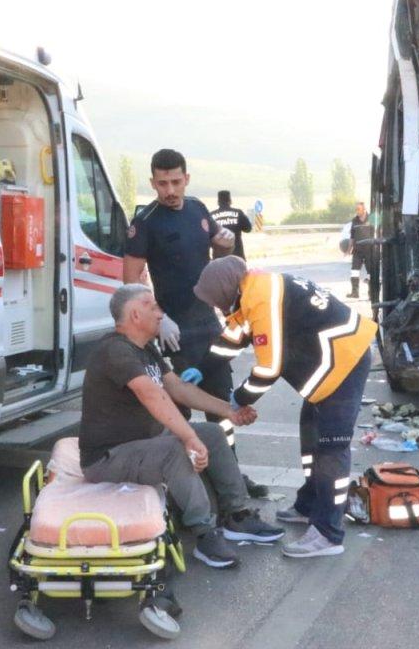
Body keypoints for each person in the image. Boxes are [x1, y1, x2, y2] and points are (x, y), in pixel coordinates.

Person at [80, 284, 286, 569]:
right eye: (152, 306)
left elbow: (177, 388)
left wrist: (230, 410)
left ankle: (235, 515)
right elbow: (152, 395)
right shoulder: (114, 350)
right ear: (135, 315)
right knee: (175, 450)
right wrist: (188, 437)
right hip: (108, 458)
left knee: (213, 434)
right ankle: (204, 533)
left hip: (144, 442)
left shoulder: (145, 348)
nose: (160, 313)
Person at [194, 256, 377, 559]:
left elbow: (269, 368)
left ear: (225, 290)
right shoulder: (252, 289)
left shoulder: (261, 298)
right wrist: (201, 368)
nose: (214, 306)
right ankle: (309, 505)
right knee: (311, 438)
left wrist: (239, 400)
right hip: (332, 364)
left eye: (214, 300)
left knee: (331, 449)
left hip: (345, 361)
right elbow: (232, 338)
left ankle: (328, 534)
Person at [123, 149, 268, 499]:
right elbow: (130, 282)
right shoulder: (145, 222)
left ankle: (230, 475)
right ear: (152, 182)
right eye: (162, 183)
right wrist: (159, 319)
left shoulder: (198, 209)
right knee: (180, 412)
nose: (170, 190)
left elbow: (220, 247)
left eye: (176, 182)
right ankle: (190, 483)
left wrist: (225, 242)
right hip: (174, 332)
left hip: (209, 324)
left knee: (222, 406)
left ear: (187, 178)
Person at [342, 202, 374, 299]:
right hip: (357, 250)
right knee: (354, 271)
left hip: (369, 250)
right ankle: (355, 293)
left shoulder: (372, 218)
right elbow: (352, 237)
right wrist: (348, 250)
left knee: (371, 272)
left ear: (364, 209)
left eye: (358, 209)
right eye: (356, 209)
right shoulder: (354, 221)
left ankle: (372, 294)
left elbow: (378, 232)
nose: (357, 211)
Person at [210, 190, 252, 260]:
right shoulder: (238, 213)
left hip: (219, 259)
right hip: (237, 256)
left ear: (218, 202)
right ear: (230, 201)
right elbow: (248, 229)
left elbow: (208, 237)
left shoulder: (211, 216)